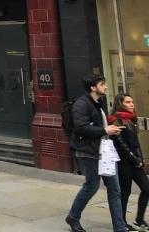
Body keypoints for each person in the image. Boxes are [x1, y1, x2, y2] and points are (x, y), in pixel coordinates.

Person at [66, 74, 128, 232]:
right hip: (90, 152)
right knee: (91, 187)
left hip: (105, 151)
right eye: (102, 84)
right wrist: (105, 130)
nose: (106, 87)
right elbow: (80, 127)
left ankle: (120, 227)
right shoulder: (81, 104)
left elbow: (99, 126)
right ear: (93, 88)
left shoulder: (98, 102)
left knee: (115, 189)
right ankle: (73, 216)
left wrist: (110, 130)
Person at [109, 94, 149, 230]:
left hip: (134, 161)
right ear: (120, 104)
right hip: (124, 163)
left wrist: (140, 159)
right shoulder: (116, 120)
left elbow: (135, 143)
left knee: (146, 188)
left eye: (132, 101)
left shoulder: (130, 119)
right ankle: (122, 222)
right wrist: (136, 159)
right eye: (128, 102)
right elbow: (122, 144)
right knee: (125, 192)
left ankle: (139, 219)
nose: (132, 104)